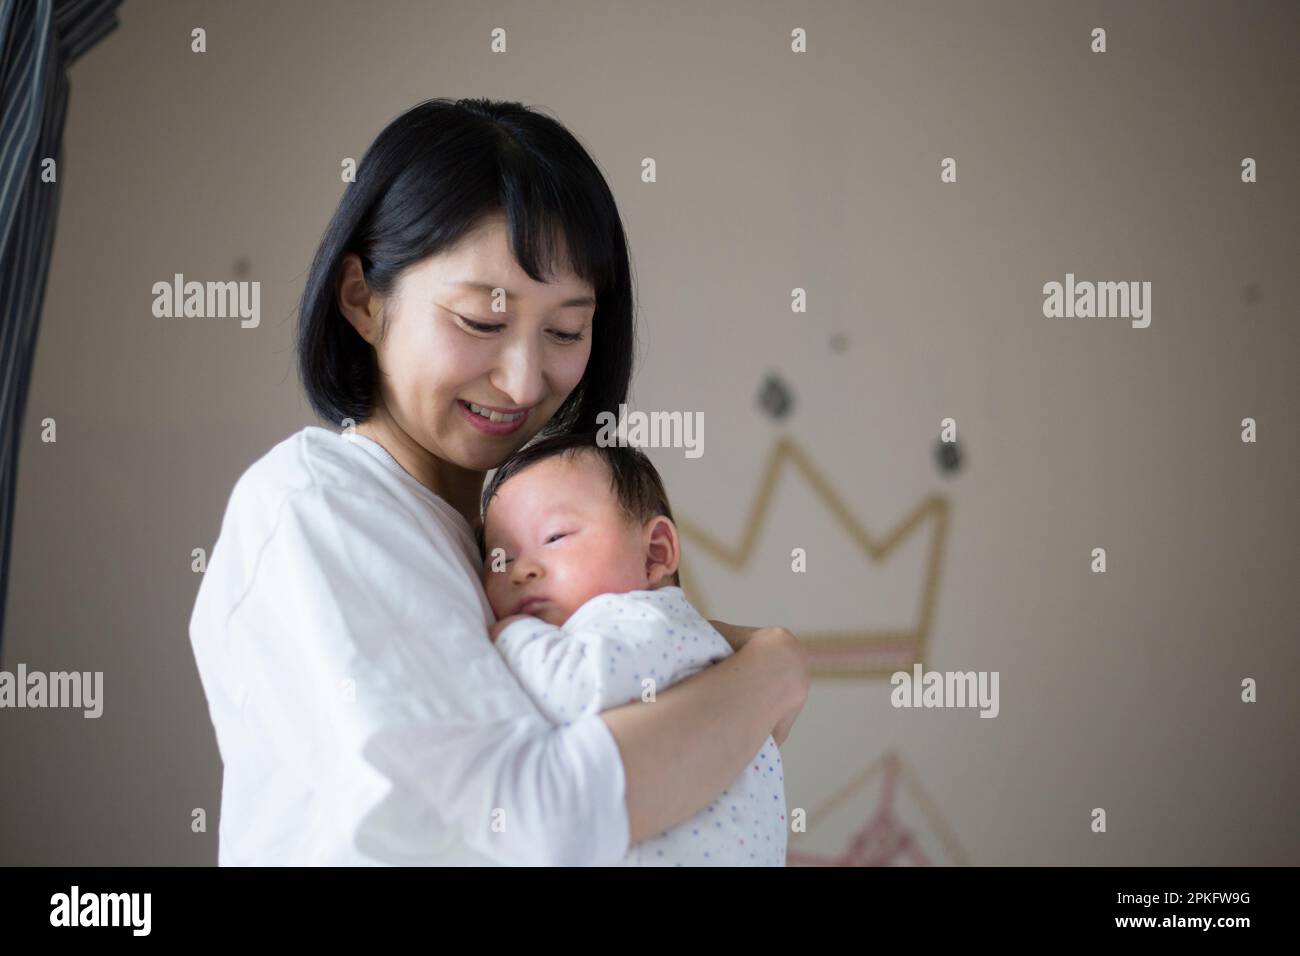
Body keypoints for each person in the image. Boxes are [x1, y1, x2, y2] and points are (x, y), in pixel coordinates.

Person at [187, 97, 808, 865]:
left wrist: (743, 657)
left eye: (565, 331)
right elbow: (543, 821)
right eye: (481, 321)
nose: (521, 381)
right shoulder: (315, 504)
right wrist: (771, 674)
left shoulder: (504, 537)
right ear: (363, 300)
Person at [479, 431, 787, 866]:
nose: (521, 570)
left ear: (654, 554)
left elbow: (576, 688)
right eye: (500, 558)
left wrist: (508, 637)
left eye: (554, 537)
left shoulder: (646, 620)